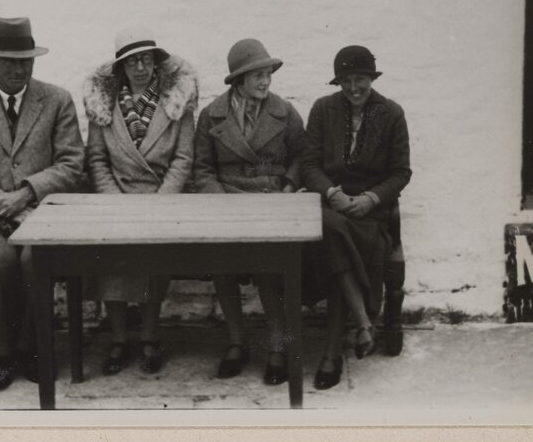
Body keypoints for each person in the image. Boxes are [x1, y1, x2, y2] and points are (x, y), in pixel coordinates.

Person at [0, 17, 85, 392]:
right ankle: (2, 353)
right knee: (2, 264)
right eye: (8, 61)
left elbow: (72, 164)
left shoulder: (57, 100)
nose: (18, 69)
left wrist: (27, 193)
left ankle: (35, 349)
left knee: (33, 261)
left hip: (41, 209)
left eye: (25, 61)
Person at [82, 26, 198, 376]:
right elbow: (97, 159)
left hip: (159, 197)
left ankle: (149, 338)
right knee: (112, 268)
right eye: (132, 62)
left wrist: (160, 203)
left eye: (146, 60)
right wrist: (114, 202)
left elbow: (183, 158)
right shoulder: (104, 107)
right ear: (121, 68)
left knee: (152, 266)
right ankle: (118, 339)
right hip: (115, 199)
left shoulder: (176, 105)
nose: (140, 68)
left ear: (156, 64)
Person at [192, 38, 305, 385]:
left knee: (270, 270)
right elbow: (202, 169)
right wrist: (220, 202)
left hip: (270, 202)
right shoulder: (211, 116)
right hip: (226, 202)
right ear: (238, 80)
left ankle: (277, 347)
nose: (265, 81)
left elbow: (304, 157)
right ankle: (237, 343)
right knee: (223, 268)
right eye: (257, 75)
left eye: (267, 73)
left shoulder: (285, 113)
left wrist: (287, 186)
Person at [301, 45, 411, 390]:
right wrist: (332, 194)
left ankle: (334, 353)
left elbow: (400, 172)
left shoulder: (391, 114)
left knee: (338, 247)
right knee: (333, 229)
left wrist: (370, 198)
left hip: (368, 216)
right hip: (331, 208)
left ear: (371, 79)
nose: (353, 88)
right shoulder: (323, 109)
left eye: (359, 79)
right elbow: (309, 164)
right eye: (345, 80)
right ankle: (361, 324)